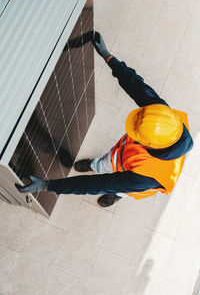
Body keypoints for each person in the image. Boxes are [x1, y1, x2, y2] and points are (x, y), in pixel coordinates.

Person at [15, 33, 194, 207]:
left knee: (118, 187)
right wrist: (108, 56)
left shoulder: (144, 178)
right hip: (123, 156)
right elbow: (136, 85)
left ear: (149, 145)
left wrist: (48, 186)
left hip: (133, 183)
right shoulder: (164, 118)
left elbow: (96, 185)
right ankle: (95, 164)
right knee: (105, 164)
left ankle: (116, 196)